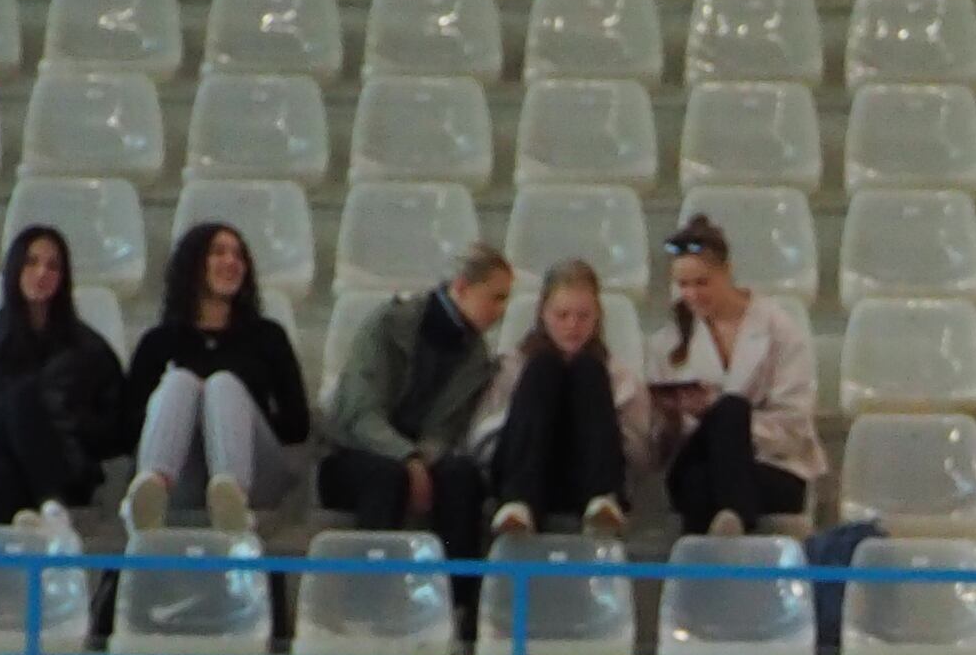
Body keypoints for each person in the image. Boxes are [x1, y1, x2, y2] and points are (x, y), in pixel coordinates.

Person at [315, 244, 514, 559]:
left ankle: (458, 597)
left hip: (420, 456)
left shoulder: (476, 358)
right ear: (462, 287)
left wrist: (421, 458)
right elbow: (359, 415)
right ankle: (374, 591)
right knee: (386, 478)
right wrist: (407, 458)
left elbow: (446, 430)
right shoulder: (386, 324)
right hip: (353, 453)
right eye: (496, 297)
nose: (502, 310)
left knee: (462, 477)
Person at [0, 224, 124, 526]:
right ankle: (49, 510)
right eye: (31, 262)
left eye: (53, 266)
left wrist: (67, 422)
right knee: (15, 410)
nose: (41, 273)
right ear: (15, 268)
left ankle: (35, 521)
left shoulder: (89, 349)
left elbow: (120, 428)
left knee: (22, 400)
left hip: (67, 470)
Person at [118, 218, 308, 538]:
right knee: (180, 382)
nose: (231, 262)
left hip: (255, 468)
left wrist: (232, 412)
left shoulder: (267, 336)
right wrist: (192, 409)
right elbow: (124, 428)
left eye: (238, 255)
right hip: (183, 472)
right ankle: (150, 489)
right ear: (194, 264)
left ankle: (231, 499)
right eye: (218, 253)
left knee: (222, 385)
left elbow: (297, 424)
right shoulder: (159, 341)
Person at [645, 212, 821, 538]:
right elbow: (661, 449)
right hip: (697, 459)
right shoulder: (667, 343)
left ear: (727, 272)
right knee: (700, 471)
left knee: (730, 412)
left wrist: (731, 426)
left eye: (702, 283)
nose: (693, 295)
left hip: (772, 466)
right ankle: (736, 517)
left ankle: (721, 541)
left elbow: (794, 424)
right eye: (684, 285)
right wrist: (670, 418)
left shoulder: (779, 329)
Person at [471, 257, 641, 541]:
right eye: (562, 315)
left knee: (588, 368)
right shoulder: (513, 365)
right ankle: (519, 504)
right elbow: (481, 438)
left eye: (583, 316)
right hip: (526, 471)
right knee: (543, 367)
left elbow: (639, 450)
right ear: (543, 315)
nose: (572, 326)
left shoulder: (617, 374)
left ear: (597, 316)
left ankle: (602, 501)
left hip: (587, 474)